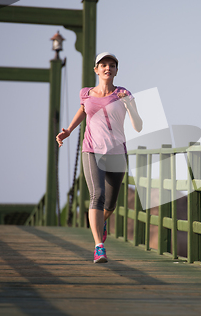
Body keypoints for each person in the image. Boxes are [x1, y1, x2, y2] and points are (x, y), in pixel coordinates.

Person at [56, 52, 143, 263]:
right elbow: (83, 110)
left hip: (116, 154)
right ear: (96, 69)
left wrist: (129, 105)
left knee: (110, 204)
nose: (107, 68)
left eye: (112, 65)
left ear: (116, 71)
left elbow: (138, 127)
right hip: (92, 150)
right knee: (97, 195)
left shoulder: (123, 93)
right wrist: (68, 130)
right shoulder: (86, 93)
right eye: (103, 65)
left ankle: (101, 222)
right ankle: (98, 246)